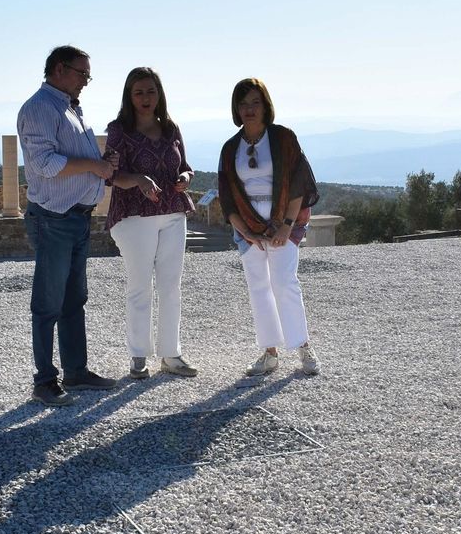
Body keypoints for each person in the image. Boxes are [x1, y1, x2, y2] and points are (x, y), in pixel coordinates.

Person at [17, 45, 119, 406]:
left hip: (76, 217)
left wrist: (101, 162)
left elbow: (72, 160)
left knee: (74, 299)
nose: (86, 82)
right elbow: (44, 163)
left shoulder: (69, 107)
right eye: (82, 74)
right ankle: (45, 381)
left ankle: (76, 372)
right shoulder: (40, 108)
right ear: (59, 69)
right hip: (54, 218)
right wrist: (94, 166)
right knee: (47, 303)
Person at [216, 77, 322, 377]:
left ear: (265, 105)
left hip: (283, 225)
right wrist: (244, 231)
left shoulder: (284, 139)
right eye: (243, 104)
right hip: (247, 228)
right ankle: (269, 353)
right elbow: (227, 196)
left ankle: (302, 345)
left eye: (255, 103)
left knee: (285, 282)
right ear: (236, 109)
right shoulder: (230, 148)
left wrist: (286, 226)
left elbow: (299, 183)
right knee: (258, 287)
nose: (249, 109)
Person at [104, 67, 199, 379]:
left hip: (172, 212)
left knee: (171, 286)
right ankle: (138, 355)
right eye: (139, 92)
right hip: (134, 217)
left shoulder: (171, 128)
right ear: (129, 97)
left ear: (160, 95)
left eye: (151, 91)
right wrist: (140, 180)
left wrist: (185, 177)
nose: (145, 98)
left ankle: (171, 354)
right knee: (140, 286)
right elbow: (111, 175)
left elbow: (184, 166)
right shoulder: (119, 130)